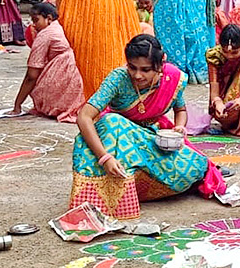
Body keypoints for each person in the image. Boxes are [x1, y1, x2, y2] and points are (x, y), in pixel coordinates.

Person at [70, 35, 225, 219]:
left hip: (150, 138)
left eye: (145, 70)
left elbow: (180, 109)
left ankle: (137, 186)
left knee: (196, 168)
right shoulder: (118, 79)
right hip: (118, 142)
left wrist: (179, 127)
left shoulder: (171, 78)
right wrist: (104, 158)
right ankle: (116, 190)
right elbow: (84, 117)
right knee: (113, 121)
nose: (137, 75)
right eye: (132, 67)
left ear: (160, 66)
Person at [8, 1, 85, 121]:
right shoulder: (62, 25)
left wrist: (17, 105)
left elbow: (32, 75)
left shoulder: (45, 34)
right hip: (79, 77)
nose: (33, 25)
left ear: (48, 18)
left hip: (65, 75)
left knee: (36, 80)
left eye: (36, 20)